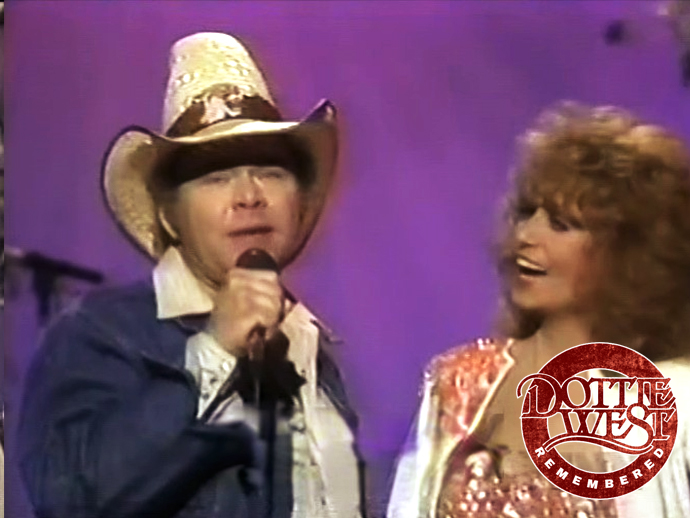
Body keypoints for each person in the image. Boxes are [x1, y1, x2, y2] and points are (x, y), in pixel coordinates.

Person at [18, 32, 365, 518]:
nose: (249, 196)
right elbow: (69, 499)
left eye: (271, 172)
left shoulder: (314, 348)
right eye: (216, 177)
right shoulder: (99, 333)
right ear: (168, 215)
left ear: (300, 201)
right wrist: (214, 353)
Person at [387, 103, 690, 518]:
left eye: (561, 224)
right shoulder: (459, 382)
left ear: (629, 251)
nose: (526, 236)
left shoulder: (672, 400)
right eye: (527, 213)